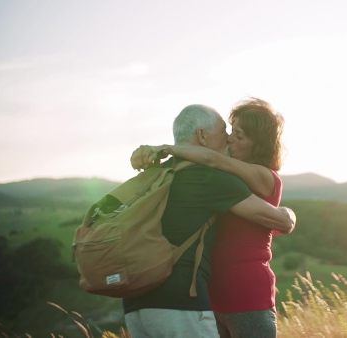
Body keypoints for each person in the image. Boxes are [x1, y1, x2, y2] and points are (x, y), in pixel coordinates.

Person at [123, 103, 296, 338]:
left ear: (258, 143)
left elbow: (212, 160)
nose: (229, 139)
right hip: (209, 295)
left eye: (238, 135)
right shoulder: (219, 179)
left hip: (246, 292)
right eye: (230, 131)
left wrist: (165, 149)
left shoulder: (261, 176)